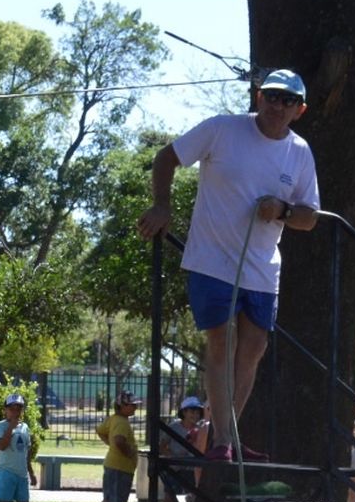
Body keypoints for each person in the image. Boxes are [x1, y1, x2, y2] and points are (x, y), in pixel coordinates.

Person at [136, 69, 321, 462]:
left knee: (254, 348)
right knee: (221, 342)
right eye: (271, 96)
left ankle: (227, 437)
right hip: (211, 260)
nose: (277, 105)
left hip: (262, 268)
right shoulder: (222, 129)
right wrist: (162, 204)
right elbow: (166, 158)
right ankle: (222, 442)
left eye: (288, 100)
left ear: (299, 110)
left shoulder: (300, 151)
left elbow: (309, 216)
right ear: (258, 97)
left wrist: (282, 210)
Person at [91, 390, 140, 502]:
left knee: (108, 499)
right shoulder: (122, 423)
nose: (135, 408)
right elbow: (119, 441)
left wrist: (109, 443)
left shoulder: (113, 419)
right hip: (121, 467)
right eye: (132, 405)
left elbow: (100, 431)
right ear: (122, 406)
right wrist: (130, 453)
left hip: (111, 465)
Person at [156, 395, 208, 502]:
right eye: (192, 411)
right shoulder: (174, 427)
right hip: (175, 469)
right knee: (168, 501)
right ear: (184, 412)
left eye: (198, 412)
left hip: (192, 470)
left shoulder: (202, 429)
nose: (195, 415)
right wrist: (172, 457)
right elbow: (162, 446)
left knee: (194, 501)